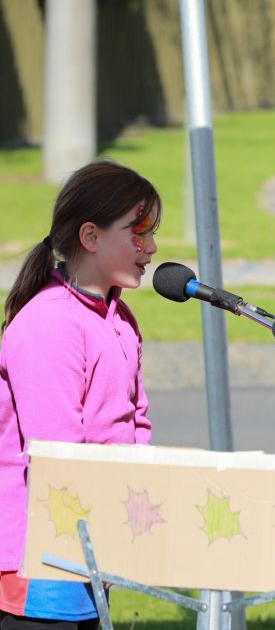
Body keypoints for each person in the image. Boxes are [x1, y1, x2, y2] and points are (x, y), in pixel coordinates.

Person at [0, 160, 161, 629]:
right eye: (140, 231)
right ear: (90, 237)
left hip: (91, 540)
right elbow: (58, 455)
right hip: (40, 557)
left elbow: (136, 426)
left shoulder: (119, 318)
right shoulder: (50, 323)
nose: (151, 247)